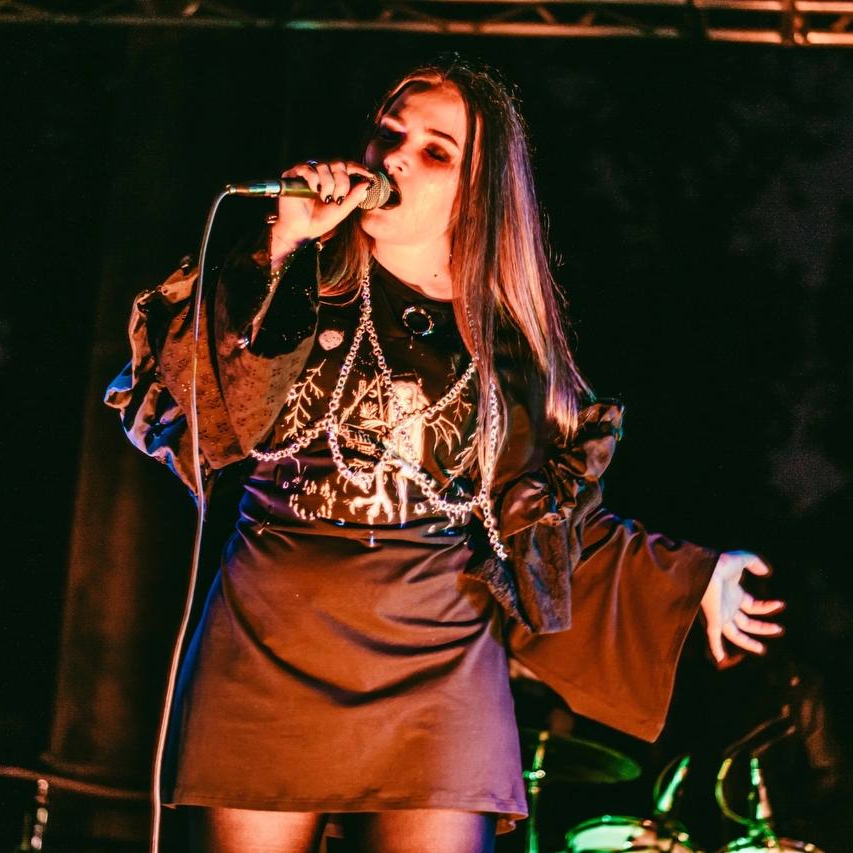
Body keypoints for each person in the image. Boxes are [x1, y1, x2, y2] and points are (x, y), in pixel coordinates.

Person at [105, 57, 784, 853]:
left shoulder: (507, 353)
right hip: (265, 652)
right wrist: (283, 247)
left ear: (477, 192)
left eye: (435, 150)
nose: (394, 157)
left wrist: (691, 576)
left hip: (437, 667)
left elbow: (542, 526)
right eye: (388, 133)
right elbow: (215, 428)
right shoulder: (287, 278)